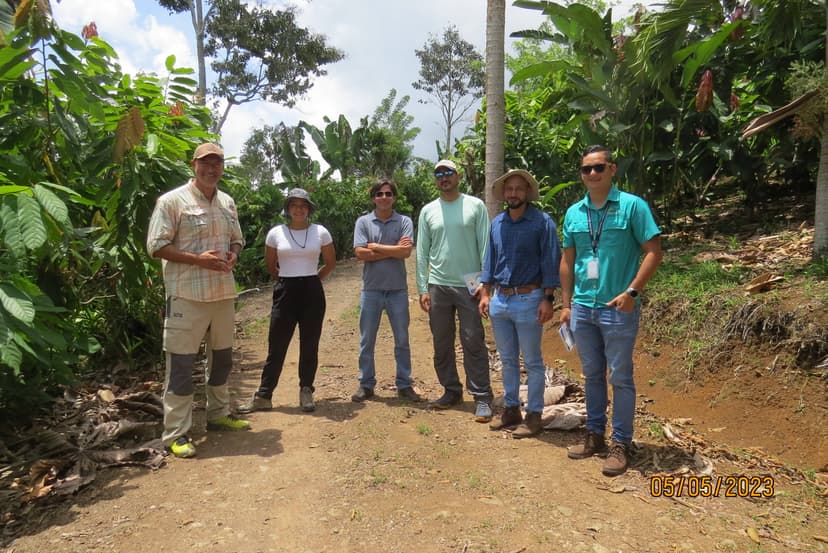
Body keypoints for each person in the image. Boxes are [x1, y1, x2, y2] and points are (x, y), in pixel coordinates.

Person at [560, 145, 663, 476]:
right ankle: (594, 435)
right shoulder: (574, 213)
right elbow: (568, 260)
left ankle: (620, 443)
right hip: (582, 307)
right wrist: (566, 304)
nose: (592, 173)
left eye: (599, 167)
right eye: (586, 169)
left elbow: (654, 251)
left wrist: (632, 292)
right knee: (592, 374)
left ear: (612, 169)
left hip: (617, 308)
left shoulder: (632, 206)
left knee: (620, 377)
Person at [146, 142, 250, 459]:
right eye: (205, 162)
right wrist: (197, 259)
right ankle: (176, 433)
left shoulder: (227, 202)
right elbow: (156, 246)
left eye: (217, 163)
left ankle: (218, 415)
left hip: (222, 294)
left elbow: (238, 239)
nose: (211, 168)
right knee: (181, 365)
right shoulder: (172, 201)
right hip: (186, 295)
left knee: (222, 360)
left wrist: (233, 254)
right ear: (194, 165)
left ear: (222, 167)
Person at [478, 169, 562, 438]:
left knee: (533, 361)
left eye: (518, 188)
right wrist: (485, 294)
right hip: (500, 299)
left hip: (529, 298)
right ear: (504, 193)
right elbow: (490, 261)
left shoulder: (541, 223)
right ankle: (511, 409)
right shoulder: (497, 223)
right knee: (507, 359)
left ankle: (534, 416)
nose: (513, 193)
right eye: (509, 189)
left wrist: (548, 298)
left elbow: (551, 261)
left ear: (527, 192)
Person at [240, 188, 336, 413]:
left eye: (303, 205)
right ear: (287, 209)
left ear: (309, 209)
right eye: (294, 205)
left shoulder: (321, 232)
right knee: (277, 344)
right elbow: (271, 265)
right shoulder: (276, 233)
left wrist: (313, 279)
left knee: (310, 343)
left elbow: (330, 262)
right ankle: (264, 395)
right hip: (285, 291)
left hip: (312, 291)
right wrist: (287, 280)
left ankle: (306, 390)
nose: (298, 209)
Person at [416, 159, 494, 422]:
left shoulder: (475, 206)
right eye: (439, 174)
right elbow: (422, 252)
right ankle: (451, 391)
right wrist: (422, 287)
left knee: (473, 340)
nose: (444, 177)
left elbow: (485, 246)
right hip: (438, 283)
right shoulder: (428, 211)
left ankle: (482, 396)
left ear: (458, 177)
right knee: (442, 341)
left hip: (470, 282)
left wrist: (485, 285)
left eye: (448, 172)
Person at [351, 181, 421, 403]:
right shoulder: (363, 222)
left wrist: (376, 246)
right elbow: (360, 253)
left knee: (402, 340)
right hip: (371, 290)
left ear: (394, 197)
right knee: (367, 340)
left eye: (388, 193)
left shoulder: (404, 221)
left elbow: (406, 253)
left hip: (397, 290)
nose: (384, 197)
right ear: (373, 197)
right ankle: (366, 384)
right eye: (379, 194)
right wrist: (393, 250)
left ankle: (404, 384)